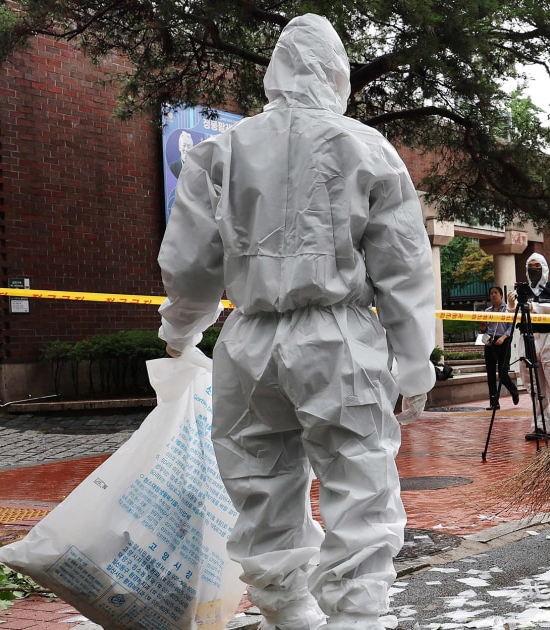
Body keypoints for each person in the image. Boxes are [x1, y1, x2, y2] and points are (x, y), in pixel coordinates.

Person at [157, 14, 435, 630]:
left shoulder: (221, 149)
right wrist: (415, 361)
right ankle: (357, 618)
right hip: (337, 339)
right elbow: (404, 265)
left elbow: (190, 261)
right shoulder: (365, 146)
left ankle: (287, 612)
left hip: (247, 339)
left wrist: (180, 330)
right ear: (337, 73)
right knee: (357, 478)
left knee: (259, 483)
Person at [507, 253, 550, 431]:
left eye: (537, 266)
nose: (533, 270)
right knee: (534, 386)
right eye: (531, 266)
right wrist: (511, 305)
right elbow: (511, 317)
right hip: (526, 338)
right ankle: (541, 425)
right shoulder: (522, 291)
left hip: (549, 339)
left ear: (544, 268)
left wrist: (534, 307)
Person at [481, 286, 520, 411]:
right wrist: (482, 326)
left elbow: (511, 327)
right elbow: (484, 329)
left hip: (503, 341)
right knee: (490, 373)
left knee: (503, 373)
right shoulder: (487, 311)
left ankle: (514, 391)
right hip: (490, 342)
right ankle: (494, 402)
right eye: (491, 293)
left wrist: (503, 337)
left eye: (495, 293)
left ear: (501, 295)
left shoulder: (507, 310)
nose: (493, 295)